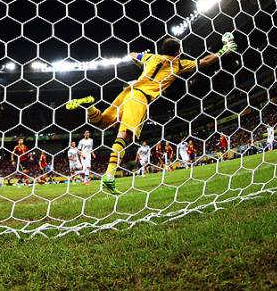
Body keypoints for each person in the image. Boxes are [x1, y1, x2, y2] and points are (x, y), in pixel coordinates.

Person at [66, 33, 238, 193]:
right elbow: (206, 61)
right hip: (140, 98)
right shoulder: (177, 63)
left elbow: (133, 54)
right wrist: (224, 50)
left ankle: (89, 106)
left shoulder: (152, 57)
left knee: (102, 121)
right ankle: (109, 176)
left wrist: (141, 59)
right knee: (125, 135)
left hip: (127, 91)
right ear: (178, 51)